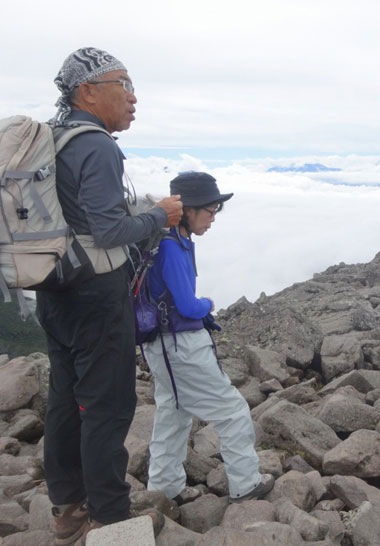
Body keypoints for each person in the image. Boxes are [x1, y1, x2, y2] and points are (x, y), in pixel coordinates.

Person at [37, 47, 182, 545]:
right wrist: (161, 215)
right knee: (107, 404)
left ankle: (67, 509)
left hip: (54, 288)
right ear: (89, 91)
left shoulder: (53, 139)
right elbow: (108, 229)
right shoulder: (95, 144)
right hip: (96, 293)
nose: (133, 96)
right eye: (124, 83)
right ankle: (110, 515)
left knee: (64, 398)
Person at [142, 171, 274, 505]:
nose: (213, 219)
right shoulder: (173, 248)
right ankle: (246, 484)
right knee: (232, 410)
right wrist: (208, 304)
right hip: (181, 346)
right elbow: (187, 304)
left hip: (161, 345)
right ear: (188, 210)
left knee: (173, 413)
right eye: (210, 211)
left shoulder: (168, 241)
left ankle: (163, 490)